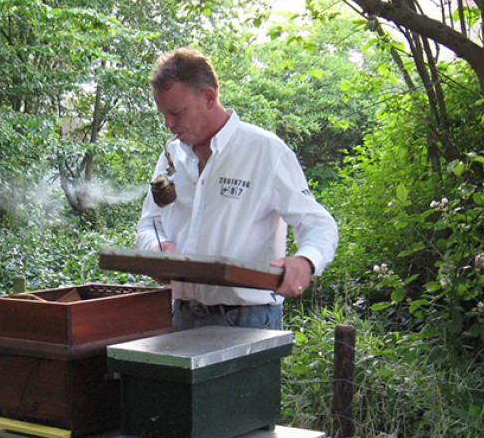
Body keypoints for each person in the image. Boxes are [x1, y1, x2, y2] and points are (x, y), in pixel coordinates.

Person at [136, 48, 338, 331]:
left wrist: (306, 260)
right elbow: (150, 223)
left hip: (248, 320)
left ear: (208, 97)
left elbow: (316, 221)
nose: (169, 124)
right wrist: (156, 248)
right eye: (164, 115)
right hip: (182, 317)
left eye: (176, 112)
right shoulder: (172, 156)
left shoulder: (264, 151)